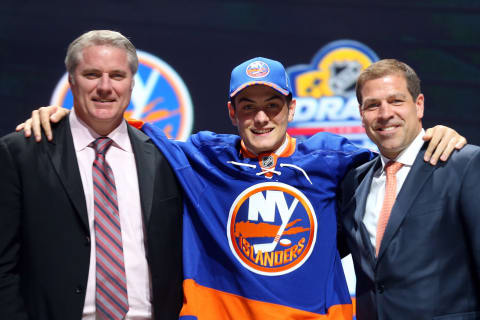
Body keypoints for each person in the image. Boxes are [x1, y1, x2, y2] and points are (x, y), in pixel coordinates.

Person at [17, 57, 465, 319]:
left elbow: (395, 156)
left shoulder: (334, 158)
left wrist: (436, 134)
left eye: (272, 105)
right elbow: (115, 125)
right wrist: (60, 117)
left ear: (291, 107)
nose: (261, 117)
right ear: (232, 112)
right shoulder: (201, 156)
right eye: (248, 107)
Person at [0, 30, 183, 320]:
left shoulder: (165, 157)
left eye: (117, 76)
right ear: (71, 80)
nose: (105, 87)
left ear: (132, 84)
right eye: (92, 74)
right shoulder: (22, 153)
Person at [338, 59, 480, 319]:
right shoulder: (353, 182)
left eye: (396, 101)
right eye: (372, 105)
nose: (384, 114)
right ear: (361, 114)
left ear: (419, 105)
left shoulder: (464, 165)